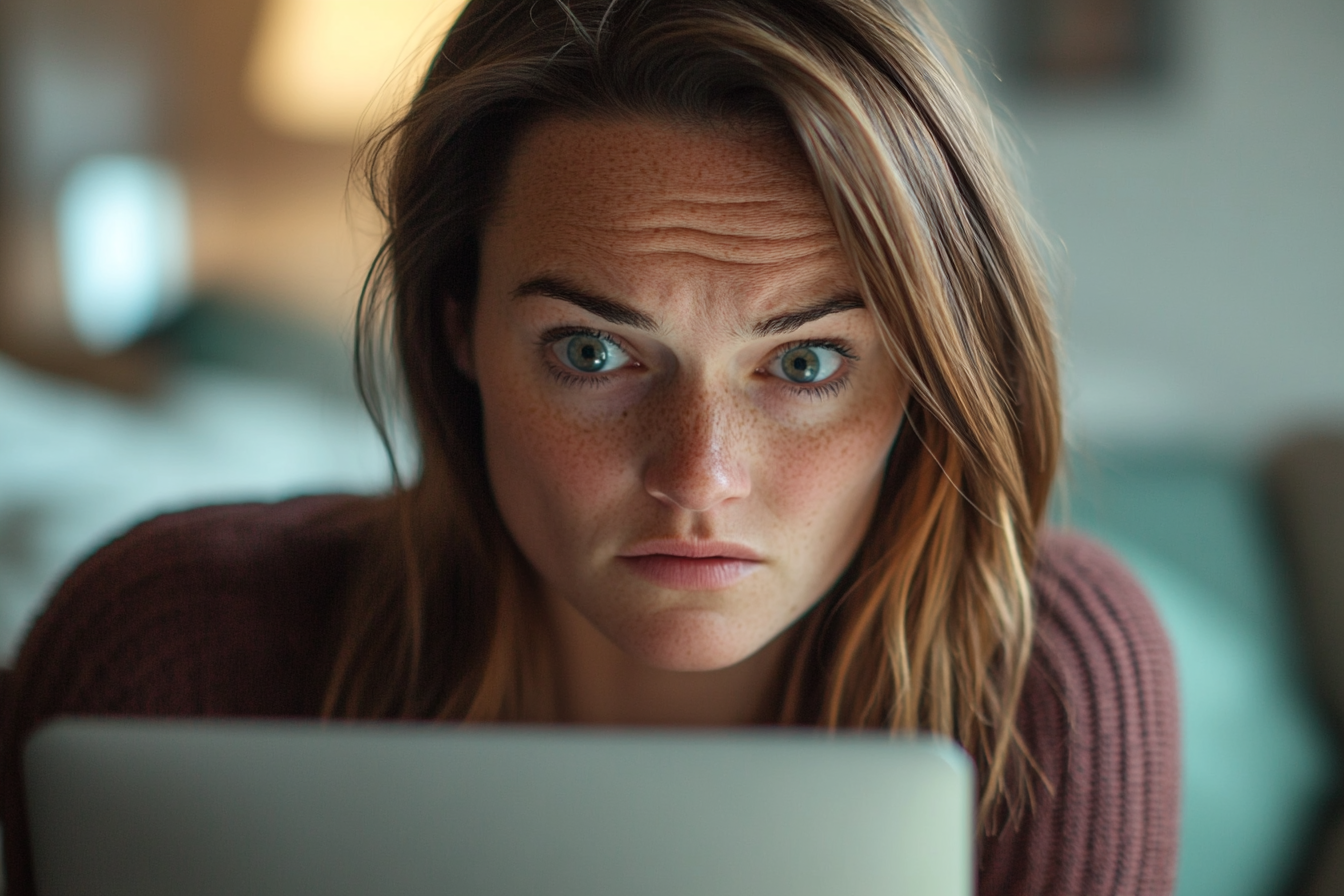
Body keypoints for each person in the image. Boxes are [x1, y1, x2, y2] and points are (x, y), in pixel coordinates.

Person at [0, 0, 1180, 893]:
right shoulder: (174, 652)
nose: (699, 472)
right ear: (456, 329)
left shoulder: (1045, 679)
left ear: (928, 367)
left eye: (807, 362)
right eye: (592, 354)